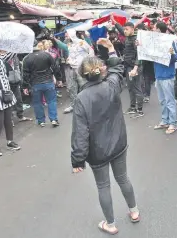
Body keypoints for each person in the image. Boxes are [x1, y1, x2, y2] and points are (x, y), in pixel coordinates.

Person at [71, 38, 140, 235]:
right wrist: (110, 49)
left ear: (82, 75)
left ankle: (110, 223)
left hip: (97, 151)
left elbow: (80, 134)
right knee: (123, 178)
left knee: (103, 186)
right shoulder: (112, 85)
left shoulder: (81, 99)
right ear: (102, 71)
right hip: (119, 143)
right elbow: (118, 69)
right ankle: (134, 211)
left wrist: (78, 160)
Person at [150, 22, 177, 134]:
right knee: (162, 101)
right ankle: (164, 120)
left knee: (169, 100)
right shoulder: (153, 42)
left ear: (158, 29)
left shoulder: (169, 41)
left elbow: (176, 57)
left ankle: (173, 123)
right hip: (158, 75)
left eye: (154, 28)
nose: (153, 29)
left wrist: (171, 53)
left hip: (167, 75)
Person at [22, 44, 61, 127]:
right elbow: (55, 67)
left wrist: (25, 86)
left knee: (37, 103)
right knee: (51, 101)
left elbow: (25, 74)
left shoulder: (27, 58)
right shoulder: (46, 55)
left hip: (35, 84)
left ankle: (41, 121)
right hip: (48, 81)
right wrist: (59, 79)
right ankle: (53, 119)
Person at [55, 34, 91, 114]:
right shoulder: (69, 44)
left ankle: (86, 105)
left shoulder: (82, 42)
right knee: (72, 87)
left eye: (68, 35)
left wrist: (85, 36)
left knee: (83, 86)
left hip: (81, 68)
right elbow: (63, 46)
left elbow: (89, 48)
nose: (66, 36)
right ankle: (74, 105)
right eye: (66, 35)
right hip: (71, 68)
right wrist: (54, 38)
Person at [115, 21, 144, 117]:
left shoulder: (136, 40)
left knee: (137, 87)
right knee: (130, 87)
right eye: (124, 29)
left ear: (132, 29)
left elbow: (139, 55)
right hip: (128, 66)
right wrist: (115, 22)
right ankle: (132, 107)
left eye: (126, 29)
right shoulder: (128, 36)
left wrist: (135, 68)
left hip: (135, 67)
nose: (125, 31)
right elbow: (121, 30)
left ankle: (139, 110)